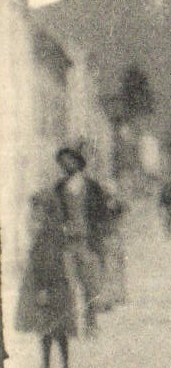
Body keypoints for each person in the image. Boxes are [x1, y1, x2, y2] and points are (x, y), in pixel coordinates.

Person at [15, 192, 78, 368]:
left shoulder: (48, 234)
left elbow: (48, 264)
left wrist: (44, 289)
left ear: (46, 210)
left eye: (38, 209)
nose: (34, 214)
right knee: (49, 329)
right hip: (55, 287)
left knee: (53, 328)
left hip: (51, 287)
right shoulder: (52, 231)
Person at [54, 143, 112, 335]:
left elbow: (103, 214)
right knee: (69, 284)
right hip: (66, 243)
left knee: (90, 284)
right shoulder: (59, 188)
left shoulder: (92, 187)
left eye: (70, 161)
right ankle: (71, 325)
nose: (67, 165)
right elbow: (54, 213)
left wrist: (100, 235)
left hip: (88, 242)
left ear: (78, 163)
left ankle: (91, 323)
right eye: (63, 162)